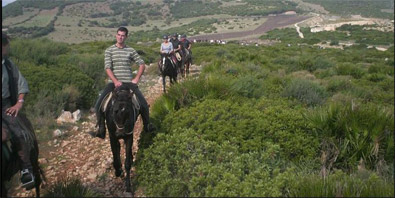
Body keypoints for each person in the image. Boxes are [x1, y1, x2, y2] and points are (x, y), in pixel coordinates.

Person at [91, 27, 153, 139]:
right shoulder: (109, 50)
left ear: (126, 37)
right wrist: (115, 81)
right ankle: (101, 129)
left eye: (123, 35)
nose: (120, 37)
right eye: (119, 35)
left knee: (143, 104)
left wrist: (136, 78)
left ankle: (147, 125)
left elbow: (142, 64)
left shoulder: (131, 50)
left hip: (129, 82)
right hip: (113, 83)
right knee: (98, 104)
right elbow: (108, 68)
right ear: (116, 35)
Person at [2, 33, 35, 189]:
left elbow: (21, 84)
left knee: (19, 132)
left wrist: (18, 103)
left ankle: (25, 169)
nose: (7, 47)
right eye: (6, 44)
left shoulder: (8, 65)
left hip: (5, 105)